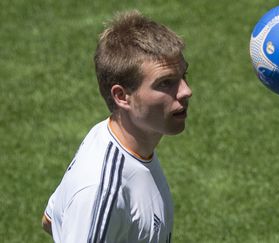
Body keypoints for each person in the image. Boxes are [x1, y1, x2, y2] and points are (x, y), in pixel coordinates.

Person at [42, 9, 192, 243]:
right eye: (165, 83)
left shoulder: (108, 135)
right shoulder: (103, 191)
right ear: (122, 96)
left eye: (184, 75)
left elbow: (52, 219)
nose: (185, 91)